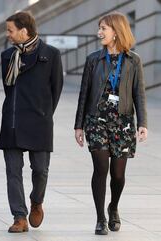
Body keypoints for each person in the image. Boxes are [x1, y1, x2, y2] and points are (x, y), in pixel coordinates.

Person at [74, 11, 148, 235]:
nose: (99, 32)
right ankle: (100, 219)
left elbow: (139, 94)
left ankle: (113, 207)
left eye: (103, 28)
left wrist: (142, 123)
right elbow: (84, 93)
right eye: (99, 28)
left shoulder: (133, 60)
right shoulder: (93, 59)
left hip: (123, 122)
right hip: (96, 121)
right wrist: (79, 125)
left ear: (116, 31)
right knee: (101, 169)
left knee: (118, 174)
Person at [0, 11, 63, 233]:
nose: (7, 34)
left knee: (40, 170)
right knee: (13, 171)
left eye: (10, 30)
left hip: (39, 122)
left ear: (24, 31)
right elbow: (9, 90)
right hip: (13, 121)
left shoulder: (51, 54)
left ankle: (37, 201)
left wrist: (44, 113)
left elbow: (56, 89)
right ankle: (19, 216)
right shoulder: (7, 56)